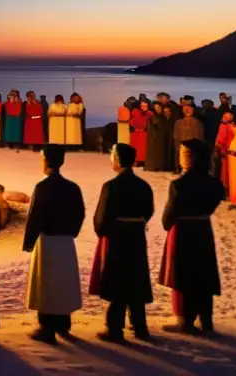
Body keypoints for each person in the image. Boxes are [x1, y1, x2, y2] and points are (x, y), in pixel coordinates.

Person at [158, 139, 225, 335]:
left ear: (191, 159)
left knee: (185, 273)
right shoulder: (214, 183)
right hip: (203, 229)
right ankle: (206, 319)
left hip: (184, 231)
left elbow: (169, 215)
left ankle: (186, 321)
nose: (181, 157)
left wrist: (168, 223)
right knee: (203, 272)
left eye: (184, 154)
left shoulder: (180, 184)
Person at [89, 143, 153, 342]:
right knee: (135, 278)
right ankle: (140, 326)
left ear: (117, 160)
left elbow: (101, 217)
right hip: (136, 236)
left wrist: (104, 232)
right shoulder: (143, 185)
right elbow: (148, 211)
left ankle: (115, 328)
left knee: (118, 280)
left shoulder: (111, 186)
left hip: (117, 237)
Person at [23, 144, 85, 345]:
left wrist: (29, 242)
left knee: (47, 283)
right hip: (65, 241)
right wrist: (71, 233)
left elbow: (35, 216)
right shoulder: (72, 187)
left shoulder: (43, 187)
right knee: (63, 282)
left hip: (47, 241)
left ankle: (47, 327)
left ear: (45, 160)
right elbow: (80, 213)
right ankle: (63, 323)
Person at [213, 111, 236, 191]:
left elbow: (221, 140)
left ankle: (224, 188)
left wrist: (217, 148)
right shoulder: (234, 126)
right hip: (233, 151)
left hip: (224, 151)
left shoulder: (223, 126)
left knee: (224, 171)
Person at [128, 99, 151, 167]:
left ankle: (144, 160)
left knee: (144, 149)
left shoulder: (149, 113)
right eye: (142, 105)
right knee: (135, 148)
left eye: (145, 105)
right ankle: (135, 160)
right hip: (135, 134)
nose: (143, 107)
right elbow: (132, 121)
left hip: (145, 133)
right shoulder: (135, 112)